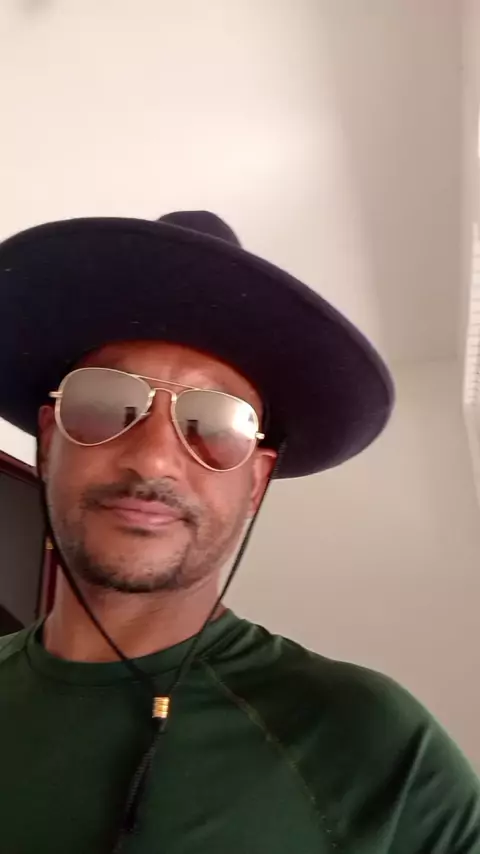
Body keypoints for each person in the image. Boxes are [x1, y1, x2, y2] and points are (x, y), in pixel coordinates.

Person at [0, 210, 478, 854]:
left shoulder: (369, 745)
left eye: (216, 424)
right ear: (49, 443)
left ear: (256, 482)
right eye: (106, 404)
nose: (154, 459)